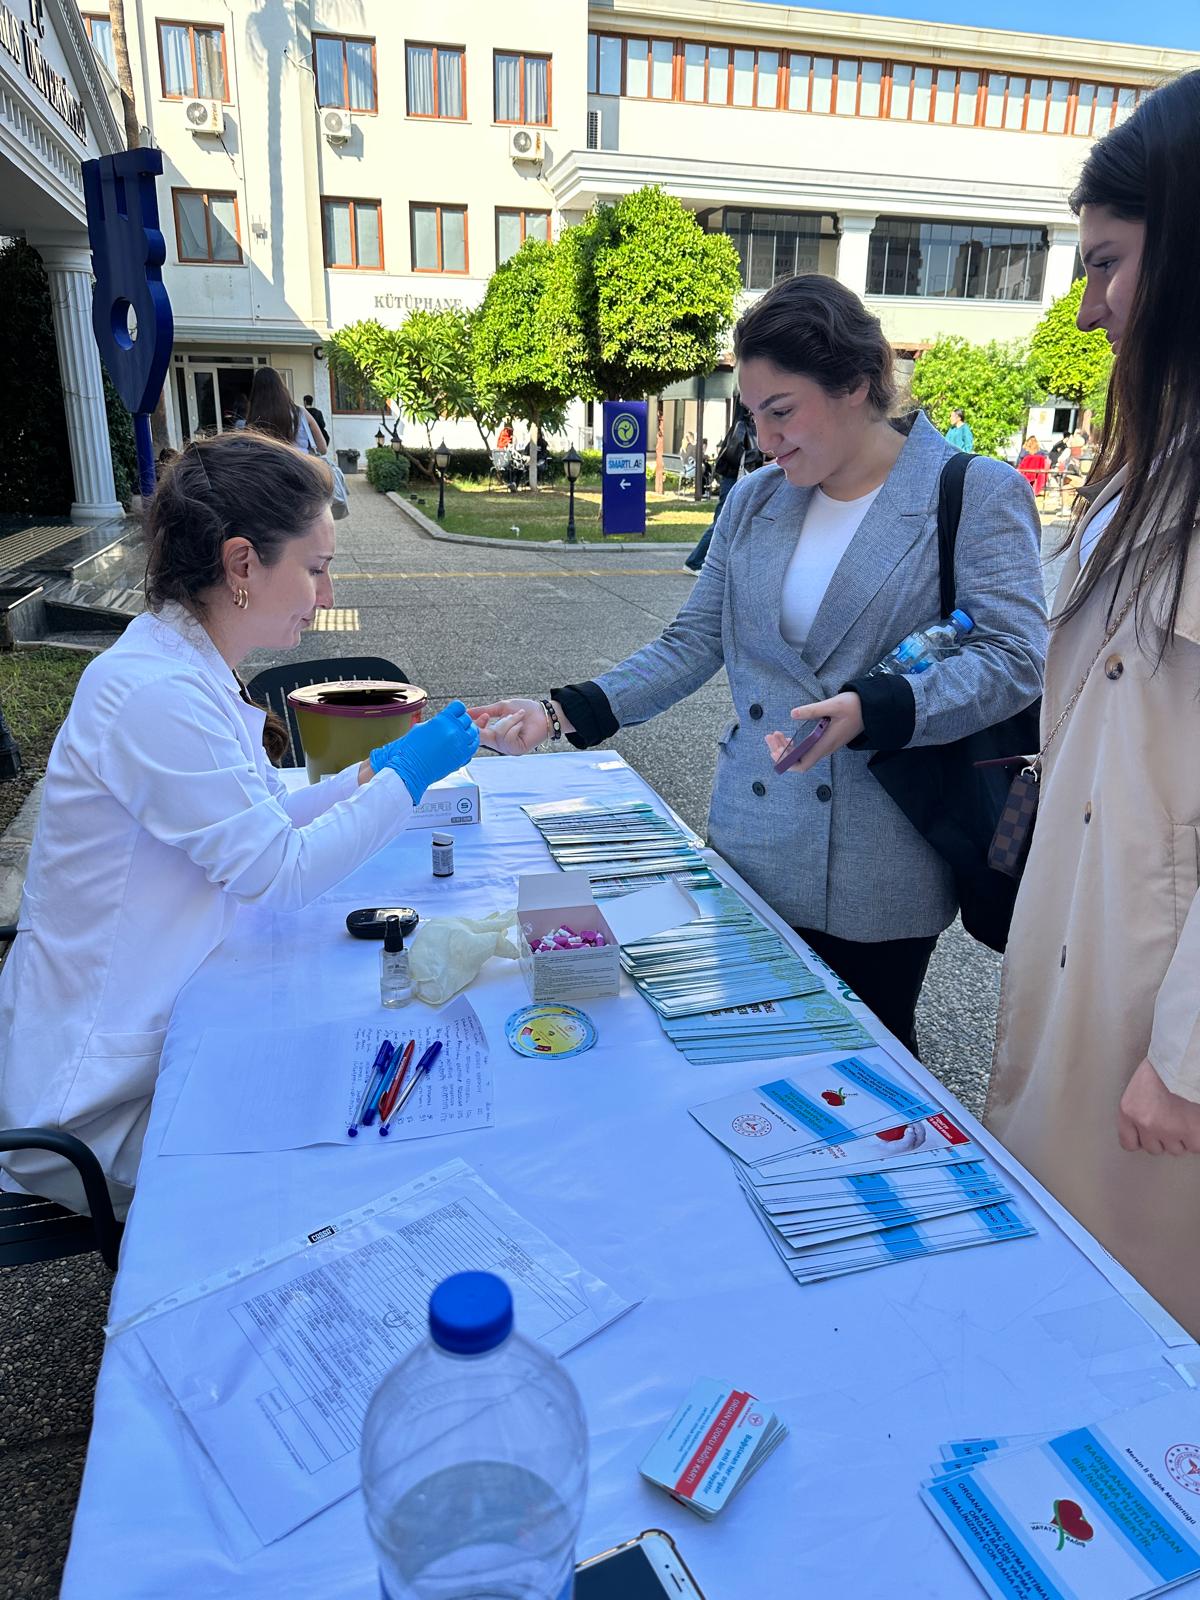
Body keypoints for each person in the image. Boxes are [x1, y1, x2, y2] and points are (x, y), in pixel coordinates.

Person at [470, 275, 1046, 1054]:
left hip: (879, 856)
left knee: (864, 1065)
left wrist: (880, 707)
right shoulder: (755, 499)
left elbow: (1015, 655)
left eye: (782, 411)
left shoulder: (972, 491)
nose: (766, 439)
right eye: (753, 415)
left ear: (856, 384)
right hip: (753, 833)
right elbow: (691, 641)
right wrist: (560, 710)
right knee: (740, 1051)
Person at [0, 431, 478, 1216]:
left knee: (353, 1061)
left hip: (166, 1020)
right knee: (350, 1143)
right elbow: (278, 872)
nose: (327, 595)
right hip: (98, 1100)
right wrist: (409, 777)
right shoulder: (152, 693)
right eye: (316, 569)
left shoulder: (185, 665)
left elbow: (262, 817)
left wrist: (374, 771)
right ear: (243, 564)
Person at [986, 70, 1200, 1336]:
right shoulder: (1154, 459)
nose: (1088, 305)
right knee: (1069, 1288)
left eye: (1111, 263)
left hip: (1156, 1004)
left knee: (1147, 1328)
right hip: (1087, 943)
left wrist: (1186, 1059)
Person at [685, 403, 762, 572]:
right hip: (734, 478)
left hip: (733, 478)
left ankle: (707, 562)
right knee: (721, 522)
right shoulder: (743, 427)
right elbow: (737, 455)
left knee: (727, 522)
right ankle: (694, 561)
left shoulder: (741, 426)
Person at [248, 367, 328, 456]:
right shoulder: (300, 412)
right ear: (281, 387)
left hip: (268, 464)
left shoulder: (254, 417)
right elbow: (322, 449)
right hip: (299, 462)